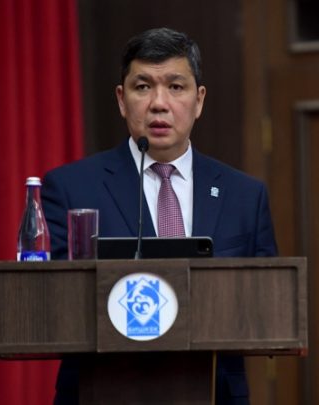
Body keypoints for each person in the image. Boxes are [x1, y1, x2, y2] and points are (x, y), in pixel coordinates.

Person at [42, 27, 277, 404]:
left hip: (214, 393)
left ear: (199, 100)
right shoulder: (72, 188)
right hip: (103, 392)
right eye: (143, 87)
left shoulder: (244, 196)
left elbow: (267, 306)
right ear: (122, 100)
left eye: (176, 86)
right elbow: (54, 304)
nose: (159, 103)